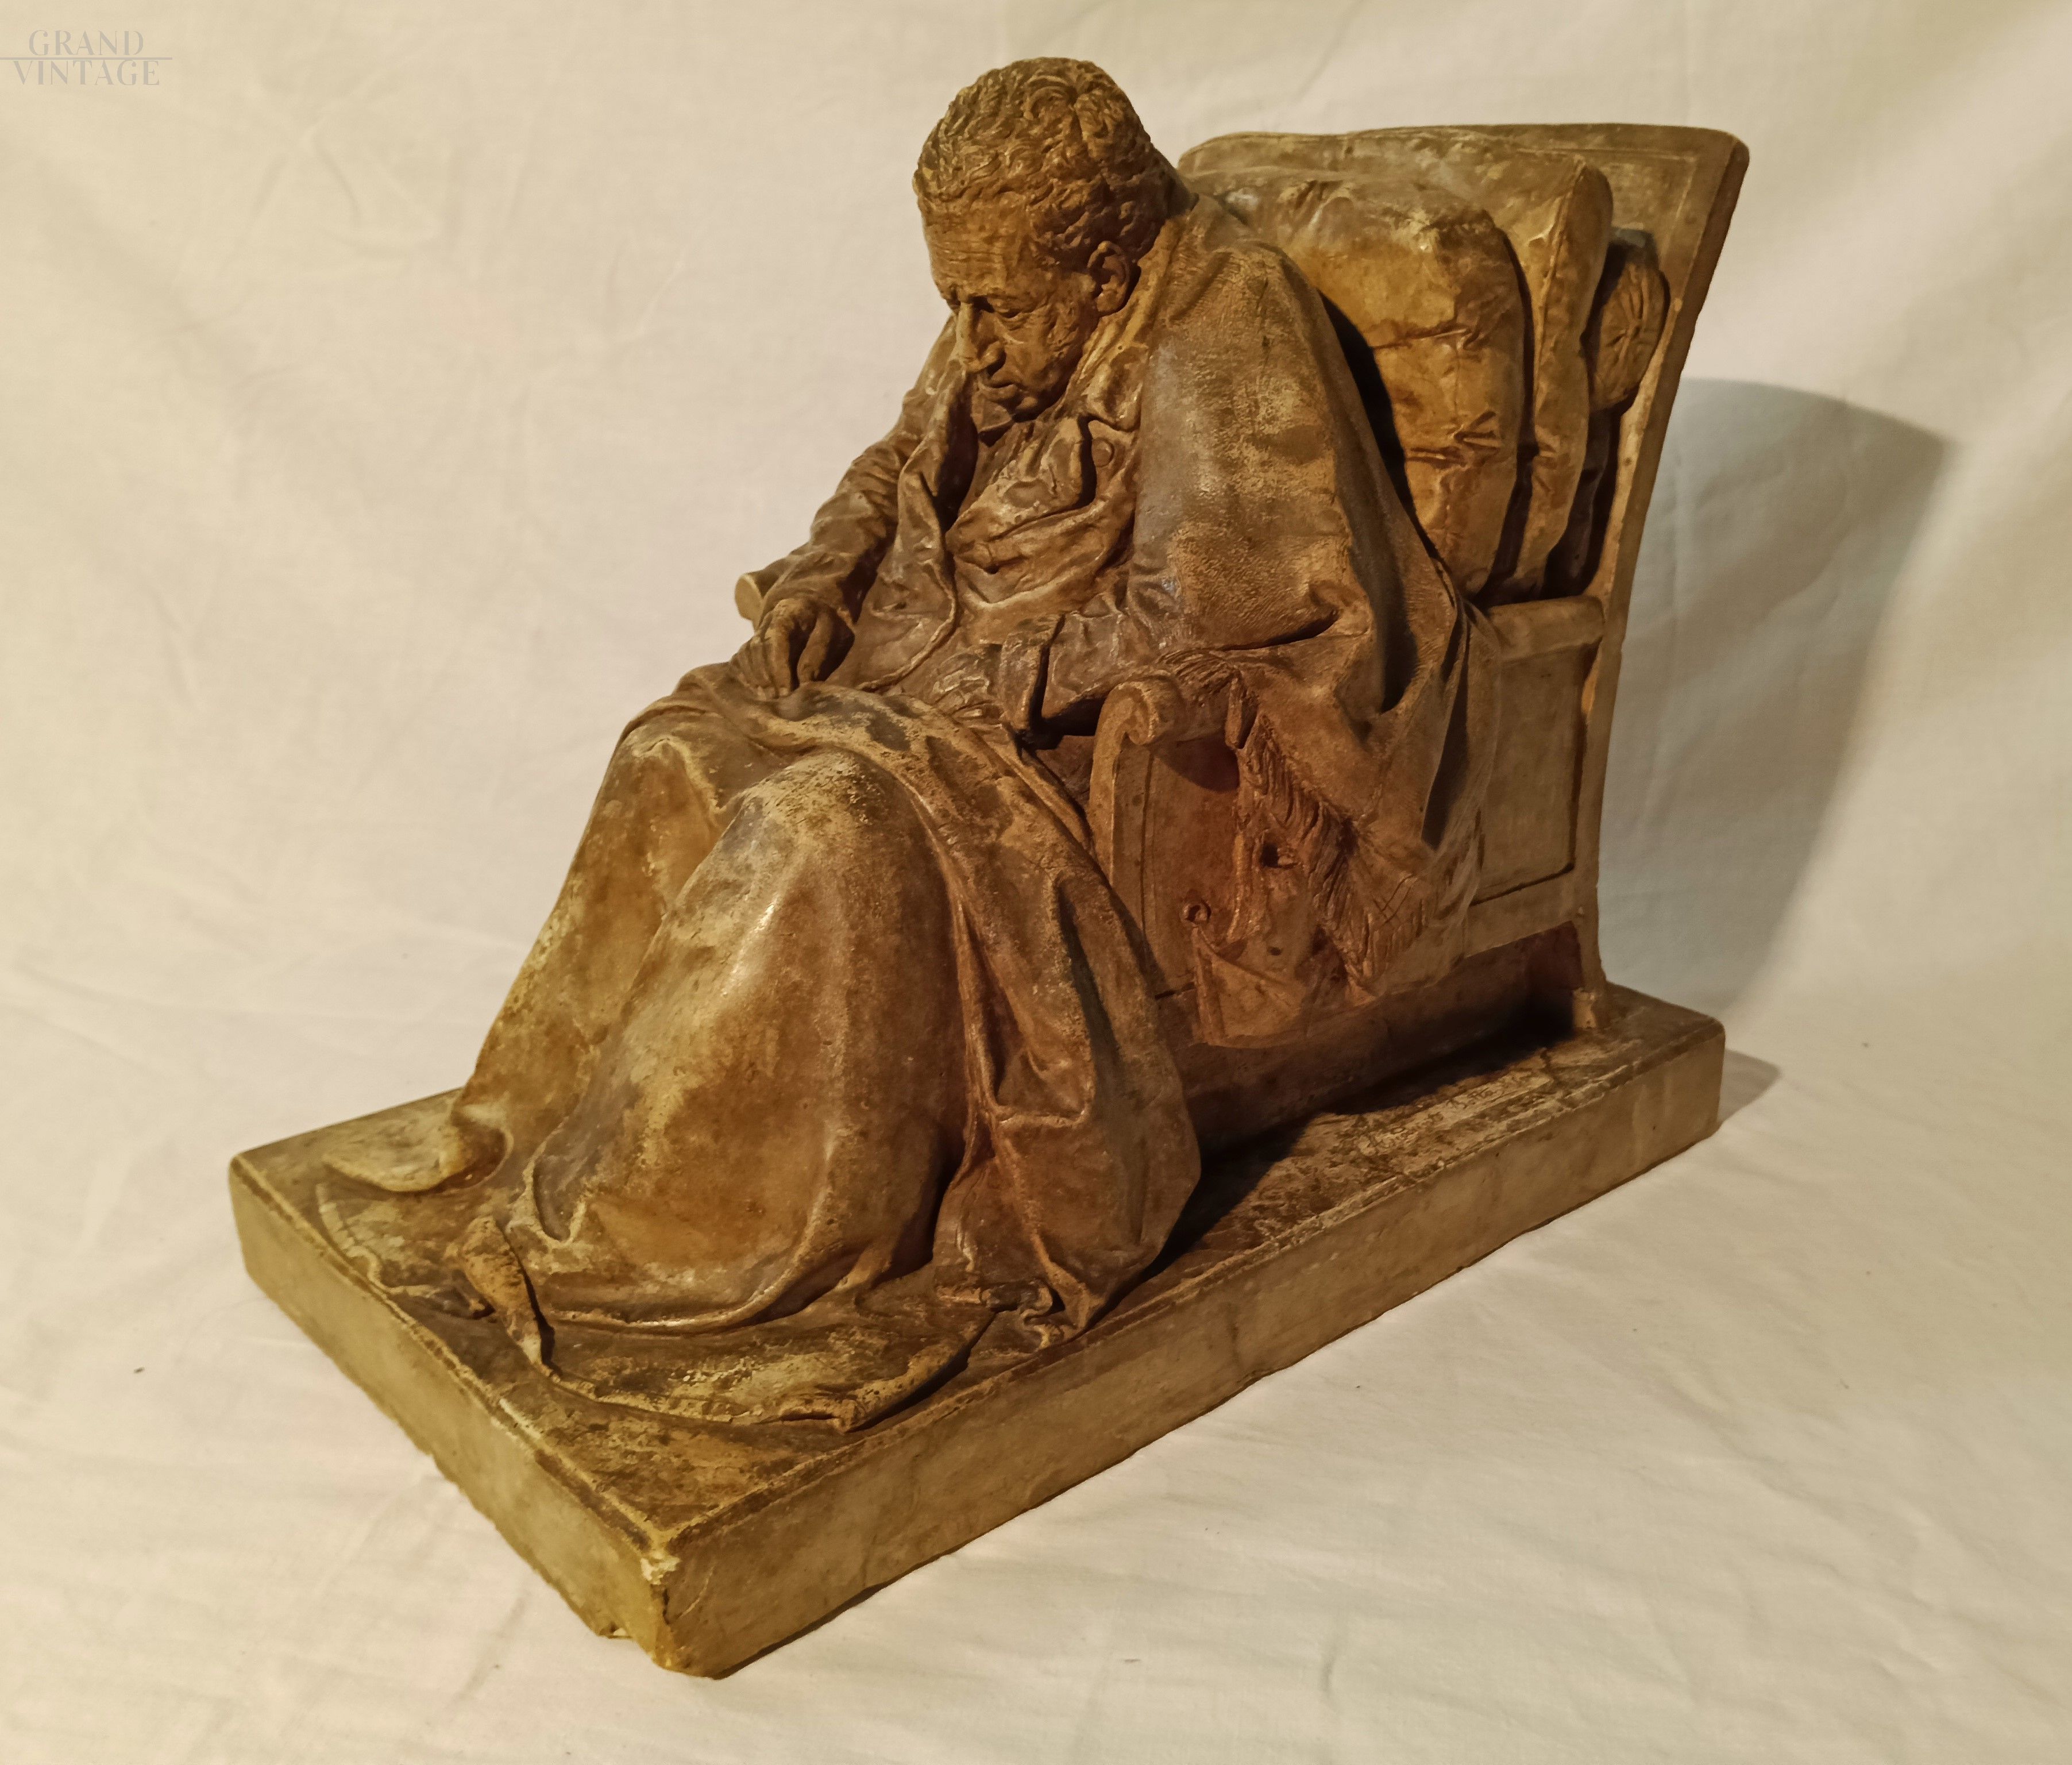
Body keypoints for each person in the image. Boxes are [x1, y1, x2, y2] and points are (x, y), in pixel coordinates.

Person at [324, 57, 1488, 1428]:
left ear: (1106, 262)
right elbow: (896, 465)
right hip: (921, 666)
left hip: (1085, 728)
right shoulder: (1010, 301)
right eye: (956, 303)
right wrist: (823, 574)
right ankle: (551, 1133)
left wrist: (1007, 677)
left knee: (816, 825)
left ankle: (687, 1231)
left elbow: (1232, 593)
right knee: (672, 755)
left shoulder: (1224, 316)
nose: (973, 343)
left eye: (998, 307)